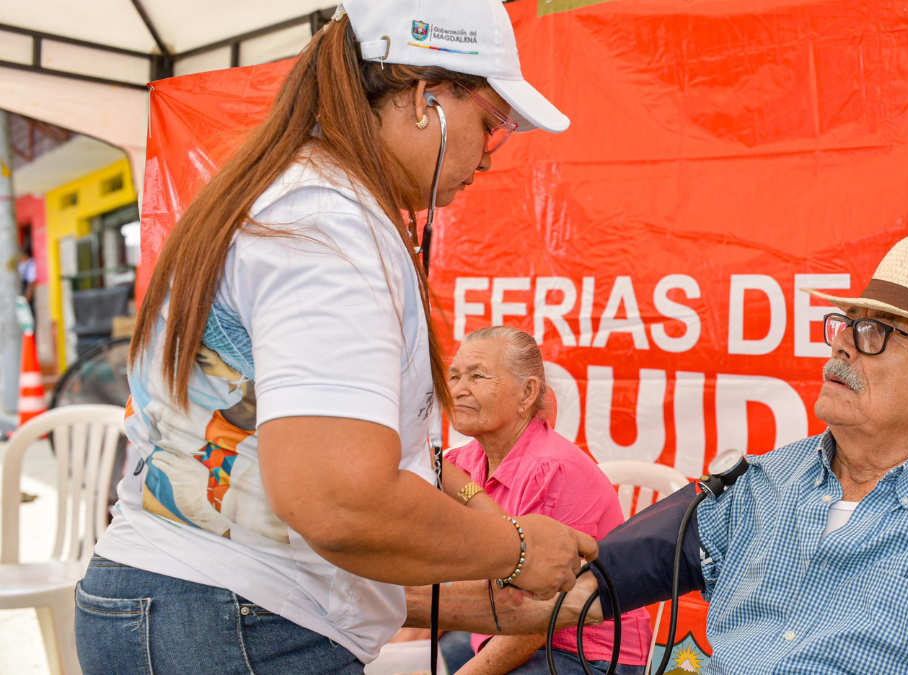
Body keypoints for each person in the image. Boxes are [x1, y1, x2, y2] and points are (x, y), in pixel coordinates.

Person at [75, 1, 593, 673]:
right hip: (234, 628)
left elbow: (285, 507)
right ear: (424, 99)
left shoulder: (283, 194)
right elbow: (339, 502)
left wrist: (488, 603)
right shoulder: (327, 222)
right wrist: (517, 548)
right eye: (490, 125)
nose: (487, 159)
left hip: (180, 603)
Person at [564, 236, 908, 674]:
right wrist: (521, 561)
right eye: (847, 323)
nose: (842, 346)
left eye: (877, 332)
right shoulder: (761, 482)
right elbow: (586, 585)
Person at [435, 327, 652, 675]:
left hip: (583, 652)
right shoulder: (458, 464)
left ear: (527, 393)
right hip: (499, 631)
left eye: (477, 376)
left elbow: (541, 618)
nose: (458, 389)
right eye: (454, 376)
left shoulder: (555, 470)